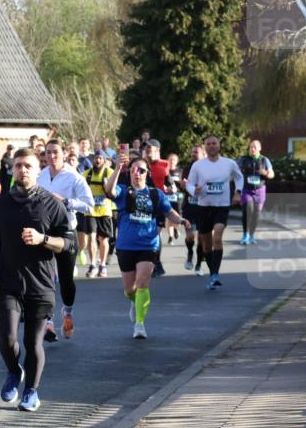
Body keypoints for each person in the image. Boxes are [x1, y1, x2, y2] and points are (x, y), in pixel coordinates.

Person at [0, 148, 74, 413]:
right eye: (18, 165)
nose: (22, 170)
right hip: (9, 281)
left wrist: (42, 239)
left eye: (28, 166)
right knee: (7, 339)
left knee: (33, 343)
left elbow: (68, 243)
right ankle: (14, 371)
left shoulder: (52, 204)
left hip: (41, 284)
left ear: (38, 170)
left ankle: (31, 392)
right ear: (12, 169)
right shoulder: (2, 203)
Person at [104, 156, 190, 338]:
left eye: (141, 170)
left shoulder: (155, 194)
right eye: (134, 170)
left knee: (143, 283)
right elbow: (109, 190)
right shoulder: (123, 191)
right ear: (130, 173)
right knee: (130, 289)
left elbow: (169, 212)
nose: (137, 173)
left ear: (147, 174)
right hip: (126, 245)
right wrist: (118, 169)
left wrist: (181, 220)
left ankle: (139, 324)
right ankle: (134, 301)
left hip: (148, 244)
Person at [36, 139, 93, 341]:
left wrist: (66, 202)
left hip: (66, 231)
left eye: (56, 152)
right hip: (45, 232)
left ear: (64, 154)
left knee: (66, 280)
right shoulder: (41, 175)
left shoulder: (73, 176)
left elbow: (89, 205)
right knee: (46, 277)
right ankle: (48, 321)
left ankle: (67, 311)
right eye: (48, 152)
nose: (52, 156)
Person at [186, 135, 244, 290]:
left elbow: (239, 178)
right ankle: (212, 274)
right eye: (209, 144)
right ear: (205, 147)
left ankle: (215, 275)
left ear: (219, 145)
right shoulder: (198, 165)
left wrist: (238, 192)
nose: (212, 146)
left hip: (221, 206)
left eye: (214, 143)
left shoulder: (229, 163)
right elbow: (189, 184)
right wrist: (194, 190)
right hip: (204, 207)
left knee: (217, 236)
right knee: (206, 246)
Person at [80, 150, 115, 277]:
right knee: (91, 237)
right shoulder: (87, 174)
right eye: (96, 158)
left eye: (100, 158)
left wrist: (107, 186)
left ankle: (103, 265)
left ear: (104, 160)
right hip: (90, 211)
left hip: (105, 210)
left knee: (103, 239)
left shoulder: (110, 172)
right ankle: (93, 264)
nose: (98, 160)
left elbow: (114, 190)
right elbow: (81, 190)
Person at [237, 139, 274, 244]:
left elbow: (272, 174)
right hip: (247, 190)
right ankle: (245, 235)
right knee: (248, 209)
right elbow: (235, 171)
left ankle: (252, 235)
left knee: (256, 214)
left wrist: (265, 173)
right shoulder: (243, 159)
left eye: (255, 147)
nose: (252, 149)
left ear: (259, 148)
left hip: (260, 190)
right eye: (251, 147)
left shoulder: (265, 160)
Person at [145, 139, 171, 277]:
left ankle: (156, 263)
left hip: (159, 203)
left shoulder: (164, 164)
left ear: (157, 150)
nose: (148, 150)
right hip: (143, 202)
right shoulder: (141, 164)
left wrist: (172, 188)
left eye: (150, 148)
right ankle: (151, 263)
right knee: (146, 233)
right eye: (146, 148)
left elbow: (169, 181)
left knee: (155, 233)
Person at [180, 144, 207, 275]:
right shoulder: (187, 168)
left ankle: (198, 265)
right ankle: (190, 253)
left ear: (203, 154)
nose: (193, 154)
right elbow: (184, 186)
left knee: (201, 238)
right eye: (192, 152)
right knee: (190, 236)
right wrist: (182, 185)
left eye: (196, 152)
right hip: (189, 207)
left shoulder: (209, 168)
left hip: (204, 208)